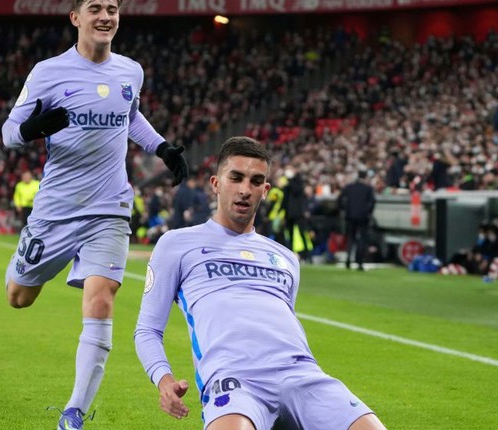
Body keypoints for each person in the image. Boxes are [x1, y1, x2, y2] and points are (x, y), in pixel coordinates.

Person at [1, 1, 189, 429]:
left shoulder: (130, 70)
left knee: (102, 297)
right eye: (95, 8)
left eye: (113, 8)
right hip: (55, 211)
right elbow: (10, 132)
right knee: (19, 297)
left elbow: (130, 115)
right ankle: (22, 267)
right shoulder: (47, 73)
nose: (106, 16)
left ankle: (74, 413)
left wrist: (160, 147)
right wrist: (32, 129)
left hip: (110, 207)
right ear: (76, 17)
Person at [135, 137, 385, 430]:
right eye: (236, 178)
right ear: (216, 183)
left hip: (302, 376)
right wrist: (164, 381)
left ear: (265, 190)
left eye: (256, 181)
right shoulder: (177, 244)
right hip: (235, 381)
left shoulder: (286, 258)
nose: (245, 190)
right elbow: (147, 330)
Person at [339, 170, 376, 271]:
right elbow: (372, 202)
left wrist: (345, 210)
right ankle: (359, 262)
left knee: (351, 238)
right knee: (362, 240)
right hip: (363, 217)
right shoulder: (368, 189)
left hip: (350, 216)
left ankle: (348, 260)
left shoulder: (350, 187)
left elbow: (340, 199)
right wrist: (368, 213)